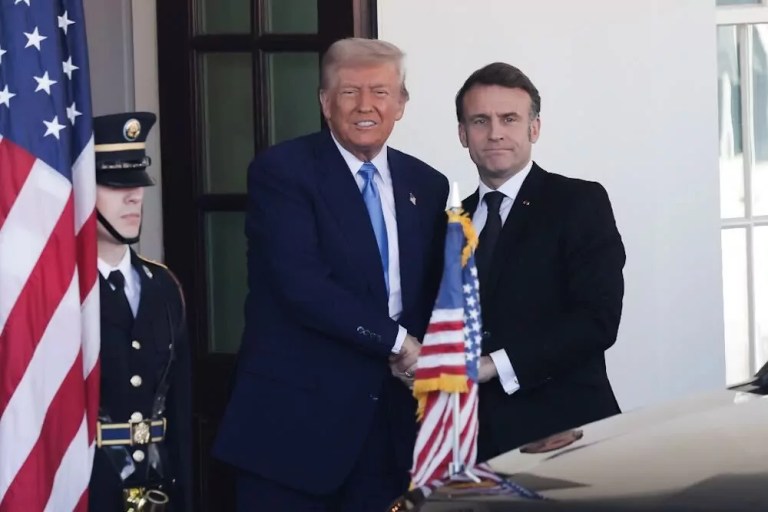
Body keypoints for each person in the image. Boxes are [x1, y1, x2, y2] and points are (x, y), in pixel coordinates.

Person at [213, 37, 450, 511]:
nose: (366, 105)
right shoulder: (282, 172)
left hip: (389, 433)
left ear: (401, 104)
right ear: (324, 102)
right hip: (293, 437)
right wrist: (400, 344)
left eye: (381, 92)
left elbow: (427, 295)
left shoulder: (427, 184)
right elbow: (303, 286)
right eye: (349, 92)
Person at [456, 62, 626, 462]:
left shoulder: (578, 203)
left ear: (534, 128)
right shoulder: (449, 221)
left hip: (567, 437)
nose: (495, 132)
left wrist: (494, 365)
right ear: (463, 134)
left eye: (509, 119)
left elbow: (597, 320)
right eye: (480, 120)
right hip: (471, 443)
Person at [89, 112, 192, 511]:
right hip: (86, 488)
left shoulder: (164, 286)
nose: (134, 196)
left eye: (137, 183)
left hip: (157, 488)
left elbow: (179, 413)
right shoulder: (60, 293)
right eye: (115, 184)